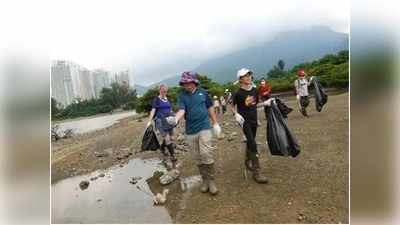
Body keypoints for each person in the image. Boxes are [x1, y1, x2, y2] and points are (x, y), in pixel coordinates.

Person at [173, 71, 222, 195]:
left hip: (204, 127)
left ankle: (211, 180)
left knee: (206, 153)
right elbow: (182, 110)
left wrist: (215, 123)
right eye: (184, 83)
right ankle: (204, 180)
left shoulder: (203, 92)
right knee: (198, 158)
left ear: (194, 82)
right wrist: (175, 119)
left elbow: (210, 108)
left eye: (188, 82)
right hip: (190, 131)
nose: (186, 85)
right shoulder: (182, 95)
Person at [230, 68, 271, 183]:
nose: (248, 77)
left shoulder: (254, 90)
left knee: (250, 141)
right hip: (244, 121)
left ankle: (248, 159)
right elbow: (232, 106)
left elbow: (256, 104)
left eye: (249, 75)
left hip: (253, 120)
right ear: (240, 79)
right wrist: (236, 114)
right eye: (245, 76)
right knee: (253, 143)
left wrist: (266, 103)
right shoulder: (238, 93)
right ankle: (257, 172)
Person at [146, 84, 177, 163]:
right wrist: (149, 121)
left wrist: (174, 117)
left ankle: (162, 147)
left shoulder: (167, 99)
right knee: (167, 138)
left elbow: (170, 109)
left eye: (166, 91)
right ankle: (173, 155)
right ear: (159, 90)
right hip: (160, 121)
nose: (164, 93)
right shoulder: (156, 100)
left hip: (168, 121)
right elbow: (153, 111)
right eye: (163, 91)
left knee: (172, 138)